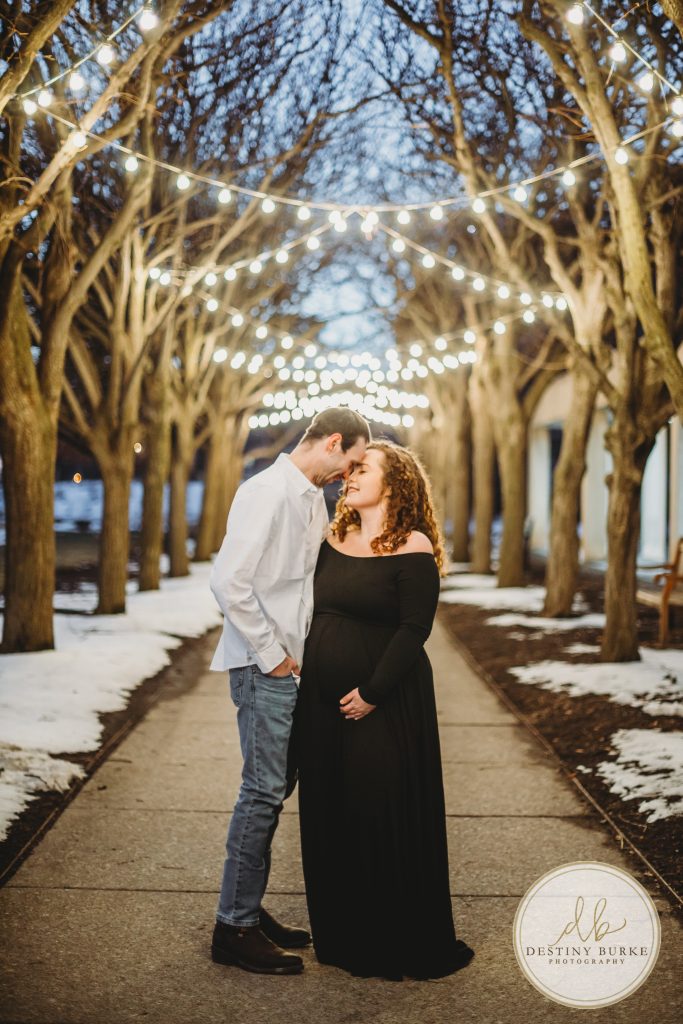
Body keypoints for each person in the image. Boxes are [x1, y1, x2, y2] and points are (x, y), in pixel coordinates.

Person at [292, 440, 475, 981]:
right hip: (321, 707)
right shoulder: (330, 536)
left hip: (386, 701)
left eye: (361, 469)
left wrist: (372, 692)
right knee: (329, 809)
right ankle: (342, 933)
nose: (349, 476)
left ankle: (391, 935)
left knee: (377, 806)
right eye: (349, 469)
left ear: (394, 483)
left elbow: (414, 629)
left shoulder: (413, 545)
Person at [209, 408, 370, 975]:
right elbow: (229, 582)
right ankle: (234, 927)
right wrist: (274, 657)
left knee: (276, 789)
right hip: (263, 667)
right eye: (349, 462)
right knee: (261, 791)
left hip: (292, 670)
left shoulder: (308, 497)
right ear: (332, 442)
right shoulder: (267, 493)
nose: (346, 476)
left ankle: (247, 908)